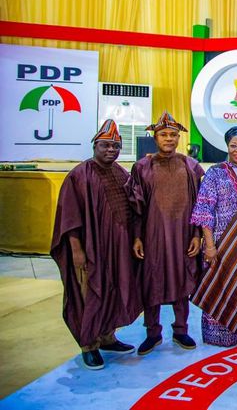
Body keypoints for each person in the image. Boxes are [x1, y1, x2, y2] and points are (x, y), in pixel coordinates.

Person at [50, 120, 141, 370]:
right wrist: (76, 250)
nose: (111, 150)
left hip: (118, 248)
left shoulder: (121, 173)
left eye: (116, 146)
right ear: (95, 146)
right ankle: (88, 346)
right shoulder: (79, 175)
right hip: (90, 249)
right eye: (105, 145)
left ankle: (107, 337)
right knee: (89, 294)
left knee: (115, 290)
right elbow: (70, 217)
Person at [128, 111, 204, 355]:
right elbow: (136, 206)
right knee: (152, 282)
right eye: (164, 135)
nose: (169, 139)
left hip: (183, 235)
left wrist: (197, 235)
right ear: (155, 138)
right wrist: (137, 236)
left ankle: (181, 330)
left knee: (182, 280)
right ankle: (153, 333)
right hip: (153, 236)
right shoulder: (142, 167)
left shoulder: (191, 166)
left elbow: (200, 205)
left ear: (179, 138)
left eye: (173, 135)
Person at [190, 126, 237, 346]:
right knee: (222, 286)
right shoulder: (215, 173)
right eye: (233, 145)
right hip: (222, 244)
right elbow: (204, 210)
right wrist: (210, 245)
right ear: (227, 146)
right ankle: (221, 334)